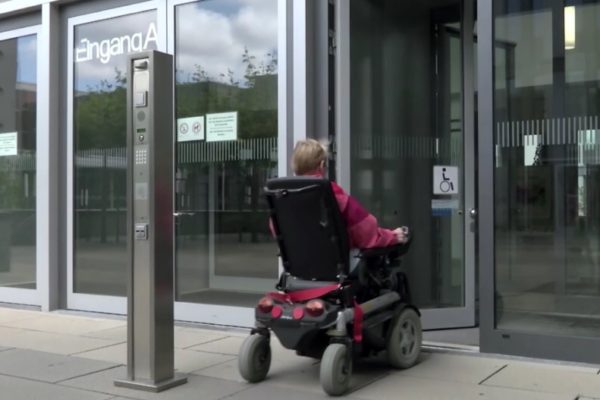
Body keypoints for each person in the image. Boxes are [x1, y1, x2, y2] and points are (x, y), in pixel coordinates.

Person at [291, 139, 408, 248]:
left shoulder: (284, 195)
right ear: (321, 166)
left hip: (298, 267)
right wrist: (391, 236)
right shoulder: (329, 192)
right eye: (326, 165)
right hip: (331, 265)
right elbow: (365, 229)